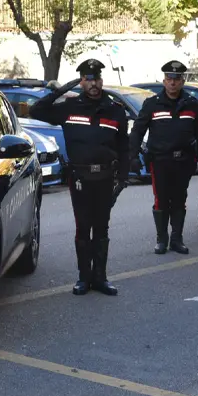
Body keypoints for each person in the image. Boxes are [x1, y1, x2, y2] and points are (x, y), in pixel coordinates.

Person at [29, 59, 130, 296]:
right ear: (81, 82)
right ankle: (84, 278)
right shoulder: (70, 107)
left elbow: (124, 146)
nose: (93, 84)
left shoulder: (114, 110)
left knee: (102, 228)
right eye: (87, 79)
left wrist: (123, 178)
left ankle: (100, 278)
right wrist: (62, 90)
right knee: (83, 228)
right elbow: (36, 110)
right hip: (80, 178)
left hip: (106, 177)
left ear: (101, 81)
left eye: (96, 79)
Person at [129, 60, 198, 255]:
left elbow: (197, 134)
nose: (172, 83)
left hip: (183, 161)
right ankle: (161, 239)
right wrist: (133, 155)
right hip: (160, 161)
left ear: (182, 81)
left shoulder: (192, 104)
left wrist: (194, 158)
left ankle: (177, 239)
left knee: (179, 200)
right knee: (161, 200)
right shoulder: (152, 104)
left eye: (176, 79)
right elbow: (137, 131)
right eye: (169, 79)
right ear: (164, 81)